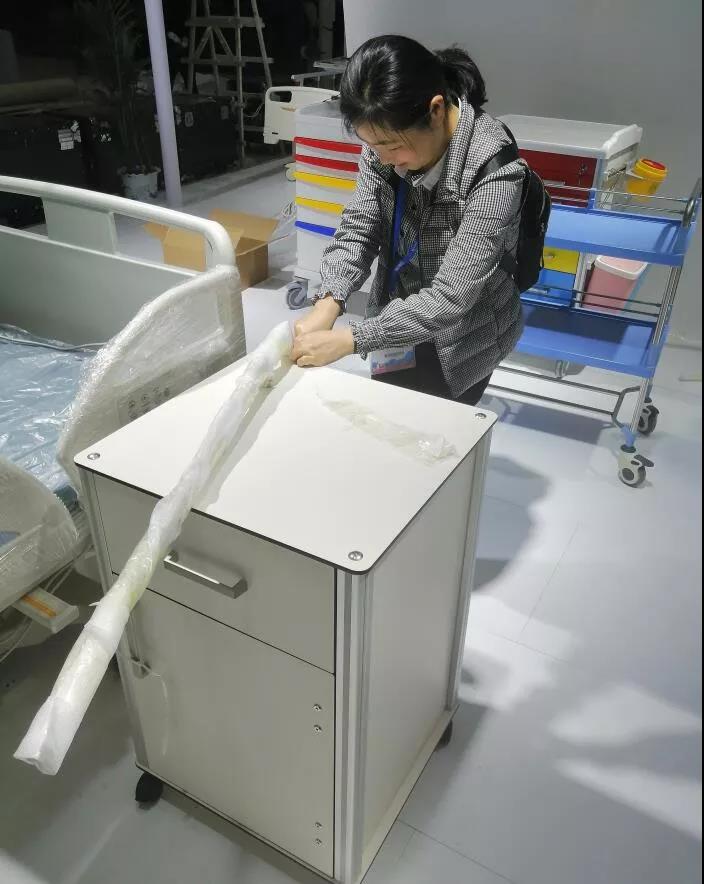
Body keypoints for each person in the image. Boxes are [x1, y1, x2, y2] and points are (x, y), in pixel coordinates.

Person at [290, 34, 526, 406]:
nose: (383, 159)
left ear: (436, 110)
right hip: (393, 321)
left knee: (439, 426)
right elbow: (360, 228)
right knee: (389, 411)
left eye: (392, 146)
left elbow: (451, 298)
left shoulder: (494, 171)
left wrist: (353, 339)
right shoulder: (384, 141)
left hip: (463, 339)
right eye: (372, 146)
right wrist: (328, 303)